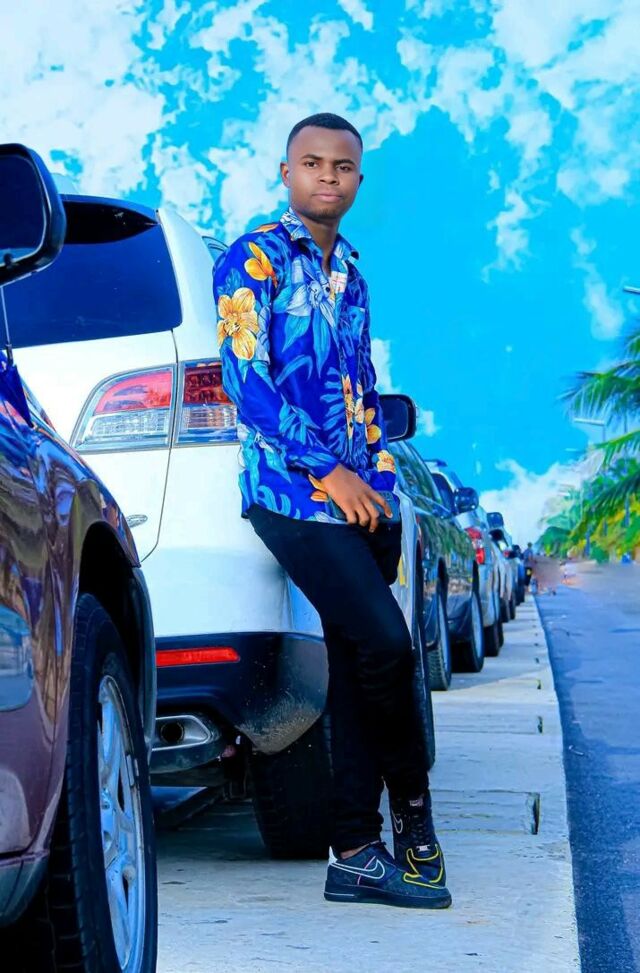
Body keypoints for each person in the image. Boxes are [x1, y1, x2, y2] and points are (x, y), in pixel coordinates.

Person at [213, 113, 451, 910]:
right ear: (286, 173)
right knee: (387, 643)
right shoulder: (252, 259)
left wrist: (376, 481)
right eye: (311, 163)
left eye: (342, 166)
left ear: (357, 180)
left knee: (356, 663)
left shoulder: (352, 272)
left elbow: (362, 391)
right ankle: (414, 825)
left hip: (358, 500)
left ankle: (354, 849)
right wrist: (331, 474)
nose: (327, 176)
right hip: (288, 493)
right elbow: (247, 383)